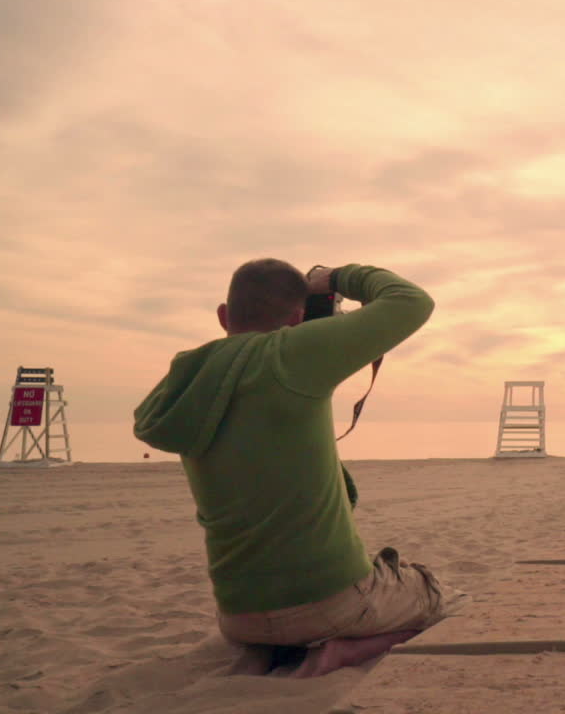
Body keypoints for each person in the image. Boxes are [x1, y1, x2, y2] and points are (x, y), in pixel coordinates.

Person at [133, 260, 460, 677]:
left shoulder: (188, 377)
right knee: (438, 596)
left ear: (222, 316)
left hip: (238, 615)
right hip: (326, 604)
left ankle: (268, 650)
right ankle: (340, 654)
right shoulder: (292, 353)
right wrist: (338, 277)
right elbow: (413, 301)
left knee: (286, 616)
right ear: (298, 319)